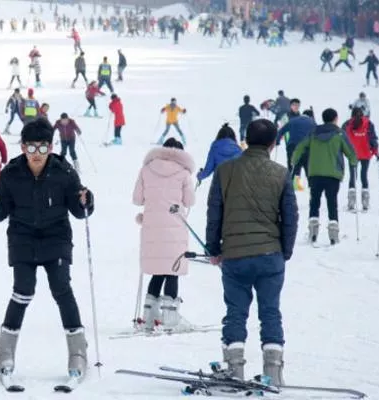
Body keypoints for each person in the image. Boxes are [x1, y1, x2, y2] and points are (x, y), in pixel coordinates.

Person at [0, 118, 94, 382]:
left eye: (42, 149)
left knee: (61, 289)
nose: (36, 155)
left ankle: (78, 351)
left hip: (56, 237)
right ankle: (5, 352)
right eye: (31, 149)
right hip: (22, 238)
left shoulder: (64, 172)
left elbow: (79, 211)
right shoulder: (10, 173)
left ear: (51, 147)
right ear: (22, 148)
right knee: (23, 290)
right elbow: (1, 211)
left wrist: (86, 200)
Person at [205, 119, 298, 387]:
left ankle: (235, 369)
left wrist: (213, 248)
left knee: (236, 312)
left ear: (245, 139)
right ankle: (274, 371)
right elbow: (290, 216)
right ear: (273, 143)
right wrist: (285, 250)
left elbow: (214, 214)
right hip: (271, 254)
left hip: (234, 256)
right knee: (270, 312)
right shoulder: (280, 173)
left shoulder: (225, 171)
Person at [132, 138, 195, 332]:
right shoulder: (184, 173)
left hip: (152, 226)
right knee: (173, 270)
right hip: (174, 226)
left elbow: (137, 199)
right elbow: (189, 201)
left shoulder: (146, 169)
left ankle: (149, 316)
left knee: (158, 271)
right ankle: (170, 318)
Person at [292, 108, 357, 245]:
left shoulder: (313, 132)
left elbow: (300, 147)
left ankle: (312, 232)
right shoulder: (339, 134)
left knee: (314, 202)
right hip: (333, 174)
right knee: (332, 202)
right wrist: (353, 162)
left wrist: (294, 160)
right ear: (335, 118)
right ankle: (333, 235)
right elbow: (351, 153)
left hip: (315, 173)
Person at [342, 107, 379, 211]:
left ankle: (351, 201)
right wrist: (376, 152)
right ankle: (365, 202)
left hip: (352, 154)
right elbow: (373, 139)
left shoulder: (347, 124)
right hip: (365, 153)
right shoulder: (368, 123)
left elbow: (341, 138)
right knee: (364, 176)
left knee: (352, 176)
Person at [276, 108, 316, 191]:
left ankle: (292, 185)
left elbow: (281, 131)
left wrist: (277, 141)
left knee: (294, 165)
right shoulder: (312, 122)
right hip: (306, 148)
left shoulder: (293, 120)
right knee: (307, 166)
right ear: (311, 116)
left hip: (292, 146)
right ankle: (311, 185)